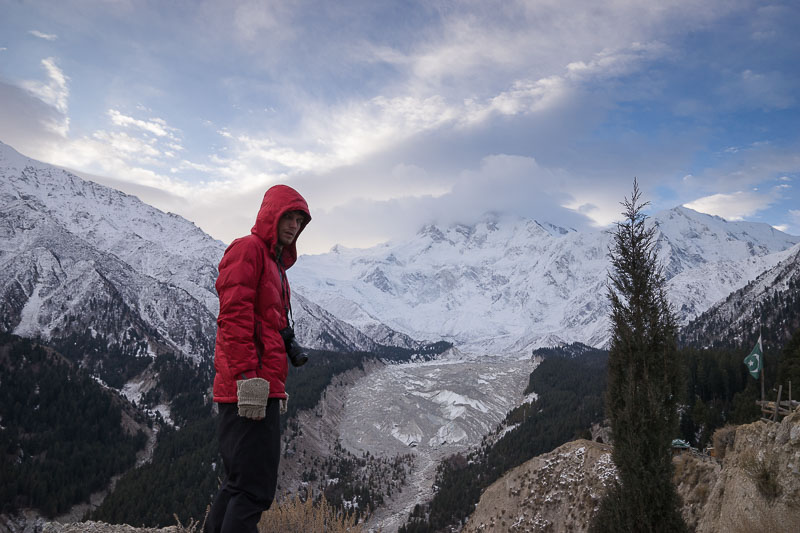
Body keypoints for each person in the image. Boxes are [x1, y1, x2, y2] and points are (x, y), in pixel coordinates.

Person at [205, 184, 311, 533]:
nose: (294, 225)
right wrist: (247, 381)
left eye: (299, 220)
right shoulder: (248, 249)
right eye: (288, 217)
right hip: (249, 388)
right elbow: (233, 319)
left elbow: (269, 324)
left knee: (240, 483)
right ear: (270, 215)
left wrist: (273, 380)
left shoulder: (274, 264)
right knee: (254, 490)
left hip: (260, 386)